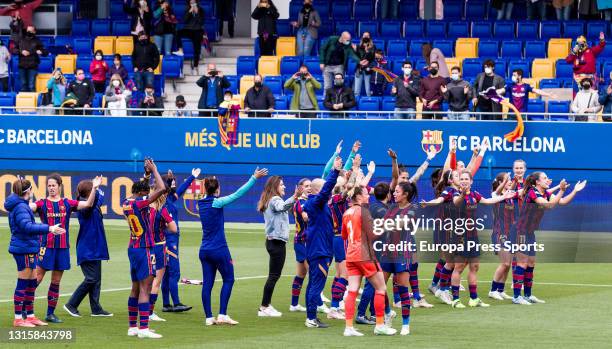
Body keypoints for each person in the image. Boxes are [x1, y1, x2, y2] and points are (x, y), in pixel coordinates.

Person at [198, 167, 268, 325]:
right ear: (217, 189)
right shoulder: (217, 202)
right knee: (229, 279)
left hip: (204, 250)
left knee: (207, 284)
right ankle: (222, 314)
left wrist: (210, 184)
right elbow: (238, 193)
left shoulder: (200, 203)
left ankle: (209, 318)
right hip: (219, 249)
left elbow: (208, 192)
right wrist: (254, 178)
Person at [30, 173, 101, 323]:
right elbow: (30, 207)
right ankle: (24, 308)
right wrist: (25, 197)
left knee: (56, 281)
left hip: (62, 247)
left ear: (60, 186)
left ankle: (50, 314)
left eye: (53, 185)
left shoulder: (67, 203)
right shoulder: (42, 203)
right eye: (49, 186)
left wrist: (94, 187)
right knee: (37, 278)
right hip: (46, 246)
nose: (51, 188)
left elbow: (88, 204)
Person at [510, 173, 586, 305]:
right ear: (537, 182)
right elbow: (550, 205)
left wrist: (574, 190)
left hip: (529, 232)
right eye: (544, 178)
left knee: (531, 263)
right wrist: (561, 189)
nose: (548, 180)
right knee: (522, 263)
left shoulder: (544, 193)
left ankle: (527, 295)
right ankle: (516, 296)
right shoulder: (533, 193)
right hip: (519, 231)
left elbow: (562, 202)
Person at [5, 177, 65, 328]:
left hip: (28, 247)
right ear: (29, 191)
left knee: (32, 282)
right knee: (23, 283)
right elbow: (27, 227)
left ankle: (30, 316)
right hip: (23, 248)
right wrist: (49, 228)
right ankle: (18, 319)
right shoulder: (20, 207)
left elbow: (28, 225)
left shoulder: (20, 204)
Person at [450, 170, 513, 309]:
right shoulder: (455, 194)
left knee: (474, 266)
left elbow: (488, 201)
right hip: (460, 235)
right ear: (459, 181)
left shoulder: (475, 194)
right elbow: (457, 202)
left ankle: (474, 299)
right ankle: (455, 299)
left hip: (473, 234)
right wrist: (462, 193)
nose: (464, 181)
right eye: (462, 179)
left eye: (467, 179)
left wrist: (503, 197)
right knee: (459, 267)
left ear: (471, 181)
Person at [342, 186, 397, 337]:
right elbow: (373, 234)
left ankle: (348, 327)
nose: (368, 196)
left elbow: (344, 235)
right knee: (381, 288)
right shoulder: (363, 211)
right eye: (366, 194)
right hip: (365, 254)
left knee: (352, 290)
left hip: (351, 255)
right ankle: (380, 325)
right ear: (359, 197)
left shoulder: (347, 212)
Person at [122, 159, 166, 338]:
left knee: (134, 288)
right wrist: (155, 170)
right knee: (145, 289)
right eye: (146, 192)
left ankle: (132, 327)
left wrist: (146, 176)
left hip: (133, 247)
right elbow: (162, 188)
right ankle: (144, 329)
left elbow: (141, 190)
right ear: (142, 193)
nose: (149, 194)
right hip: (144, 248)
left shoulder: (126, 202)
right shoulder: (141, 204)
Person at [63, 179, 112, 318]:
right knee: (91, 278)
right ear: (89, 193)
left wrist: (96, 186)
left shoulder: (94, 203)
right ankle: (71, 304)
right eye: (93, 190)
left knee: (96, 279)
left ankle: (96, 308)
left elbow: (100, 196)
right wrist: (95, 187)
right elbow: (94, 199)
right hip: (88, 248)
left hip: (95, 247)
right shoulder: (85, 207)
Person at [303, 156, 342, 329]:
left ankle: (311, 316)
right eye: (327, 190)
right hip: (319, 251)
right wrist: (334, 171)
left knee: (313, 284)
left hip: (320, 249)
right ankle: (311, 318)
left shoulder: (318, 204)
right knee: (316, 285)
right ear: (319, 191)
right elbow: (327, 189)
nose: (331, 192)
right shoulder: (316, 202)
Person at [256, 176, 301, 317]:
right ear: (275, 186)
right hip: (276, 242)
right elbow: (282, 207)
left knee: (273, 275)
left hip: (273, 241)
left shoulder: (270, 199)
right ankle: (264, 307)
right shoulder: (275, 200)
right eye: (282, 185)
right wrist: (295, 196)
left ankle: (266, 305)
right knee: (274, 276)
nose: (284, 187)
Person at [160, 168, 199, 313]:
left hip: (171, 239)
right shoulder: (163, 199)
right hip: (169, 240)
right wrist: (169, 179)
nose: (175, 184)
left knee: (166, 273)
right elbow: (167, 187)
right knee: (174, 272)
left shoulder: (170, 198)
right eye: (172, 182)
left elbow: (181, 190)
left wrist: (192, 177)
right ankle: (176, 303)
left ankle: (166, 304)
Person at [148, 183, 178, 322]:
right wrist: (163, 225)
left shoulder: (144, 208)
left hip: (145, 246)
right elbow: (174, 229)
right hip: (159, 246)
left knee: (144, 281)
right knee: (156, 281)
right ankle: (150, 312)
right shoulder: (162, 210)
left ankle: (141, 309)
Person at [290, 178, 311, 313]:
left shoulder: (305, 202)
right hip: (303, 242)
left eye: (310, 186)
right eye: (306, 186)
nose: (309, 188)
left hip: (301, 241)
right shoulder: (301, 202)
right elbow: (306, 217)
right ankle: (316, 303)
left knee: (301, 274)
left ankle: (294, 304)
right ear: (300, 188)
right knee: (314, 273)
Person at [173, 0, 205, 74]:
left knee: (197, 48)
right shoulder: (187, 9)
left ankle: (196, 66)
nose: (193, 4)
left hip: (198, 30)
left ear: (196, 3)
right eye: (191, 3)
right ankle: (180, 49)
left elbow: (201, 22)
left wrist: (197, 13)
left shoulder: (201, 10)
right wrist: (189, 12)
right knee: (178, 33)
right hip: (188, 29)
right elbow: (184, 20)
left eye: (194, 2)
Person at [13, 26, 47, 92]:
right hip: (22, 65)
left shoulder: (37, 41)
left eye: (30, 31)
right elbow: (14, 50)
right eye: (28, 31)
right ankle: (24, 101)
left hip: (33, 66)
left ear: (34, 32)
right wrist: (21, 51)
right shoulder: (21, 39)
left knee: (31, 85)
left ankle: (33, 101)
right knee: (23, 85)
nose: (28, 32)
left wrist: (41, 52)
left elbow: (45, 52)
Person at [354, 32, 376, 97]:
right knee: (356, 91)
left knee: (368, 90)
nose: (366, 37)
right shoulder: (358, 46)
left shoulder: (373, 47)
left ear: (369, 37)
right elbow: (356, 58)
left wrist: (367, 51)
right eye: (364, 35)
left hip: (368, 70)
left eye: (367, 36)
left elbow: (372, 58)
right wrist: (360, 62)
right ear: (362, 37)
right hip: (359, 69)